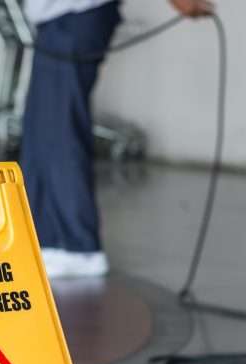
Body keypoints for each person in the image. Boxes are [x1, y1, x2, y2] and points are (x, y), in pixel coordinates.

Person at [20, 0, 214, 278]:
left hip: (76, 13)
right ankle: (47, 239)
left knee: (60, 129)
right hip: (56, 17)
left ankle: (78, 248)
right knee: (42, 131)